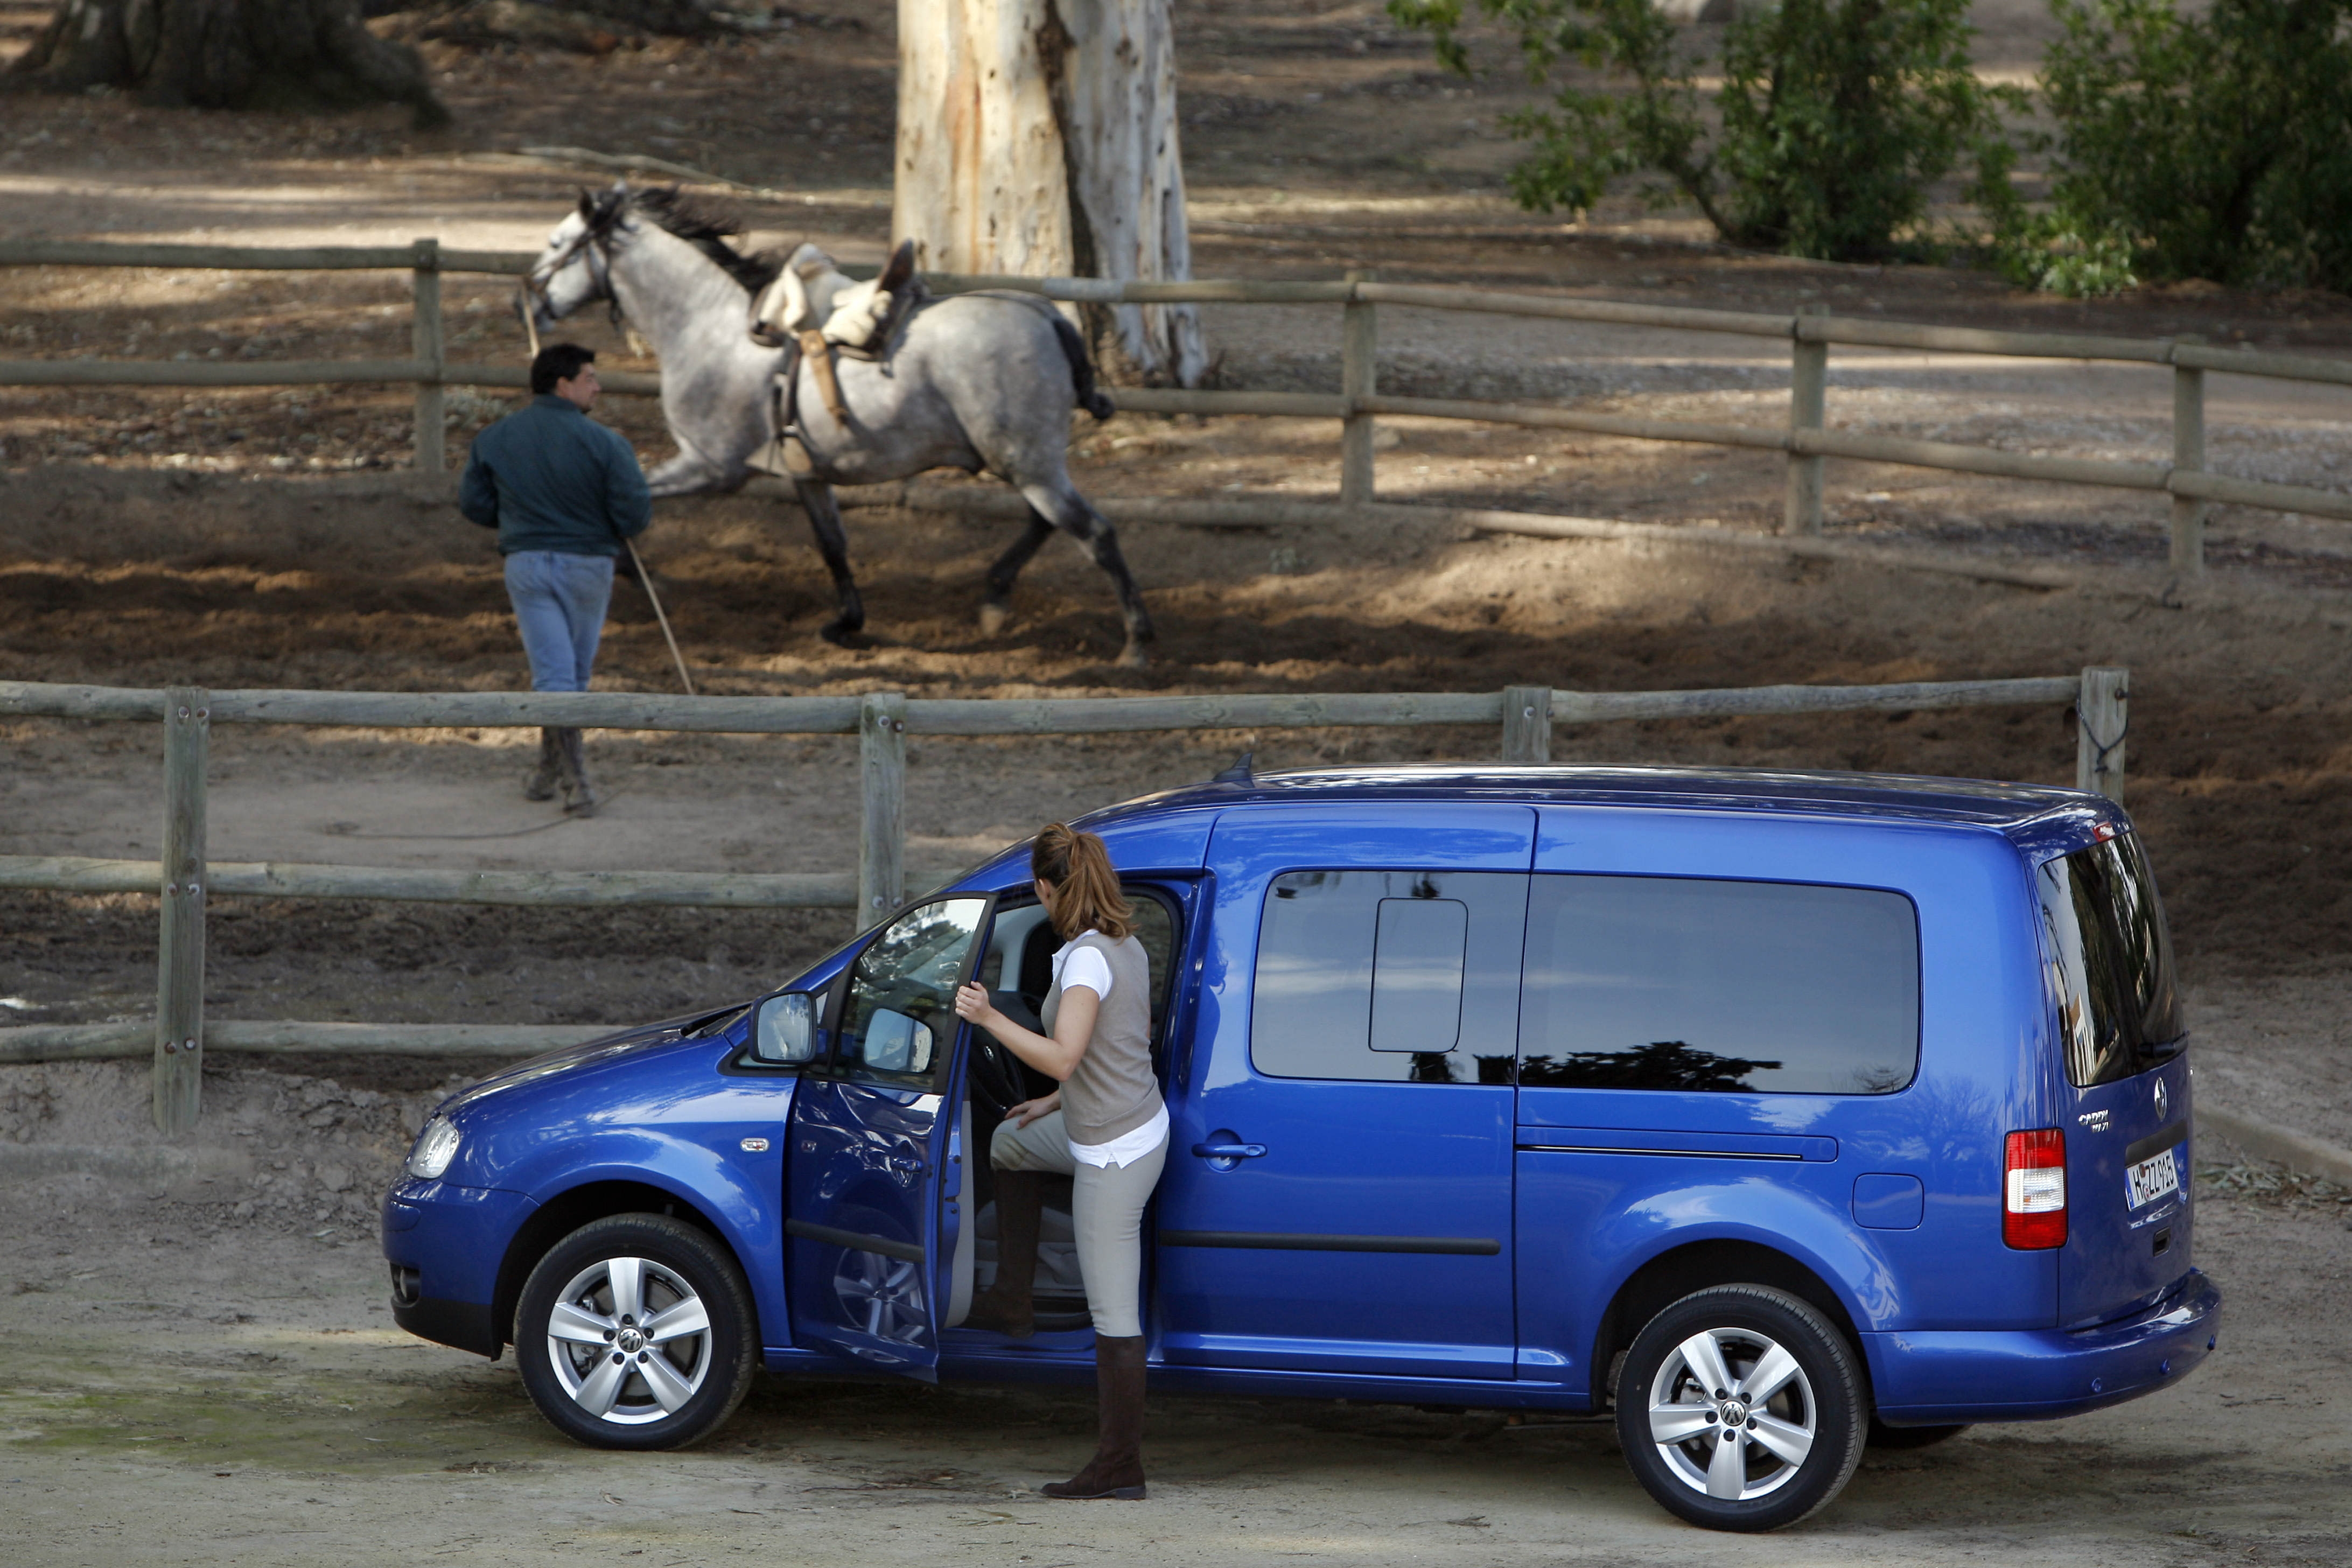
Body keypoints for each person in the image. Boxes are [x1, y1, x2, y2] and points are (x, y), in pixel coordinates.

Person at [953, 824, 1165, 1502]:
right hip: (1100, 1117)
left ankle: (1119, 1466)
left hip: (1114, 1150)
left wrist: (988, 1017)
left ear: (1047, 888)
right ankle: (1014, 1296)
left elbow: (1068, 1053)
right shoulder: (1119, 943)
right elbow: (1113, 1048)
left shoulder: (1085, 961)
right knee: (1008, 1141)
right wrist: (1048, 1102)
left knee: (1113, 1310)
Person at [460, 342, 652, 817]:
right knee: (570, 676)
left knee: (553, 675)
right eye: (590, 378)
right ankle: (578, 781)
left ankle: (548, 772)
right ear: (563, 384)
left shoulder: (495, 437)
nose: (598, 386)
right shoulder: (606, 442)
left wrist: (521, 520)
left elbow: (475, 505)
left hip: (526, 564)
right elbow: (633, 514)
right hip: (587, 566)